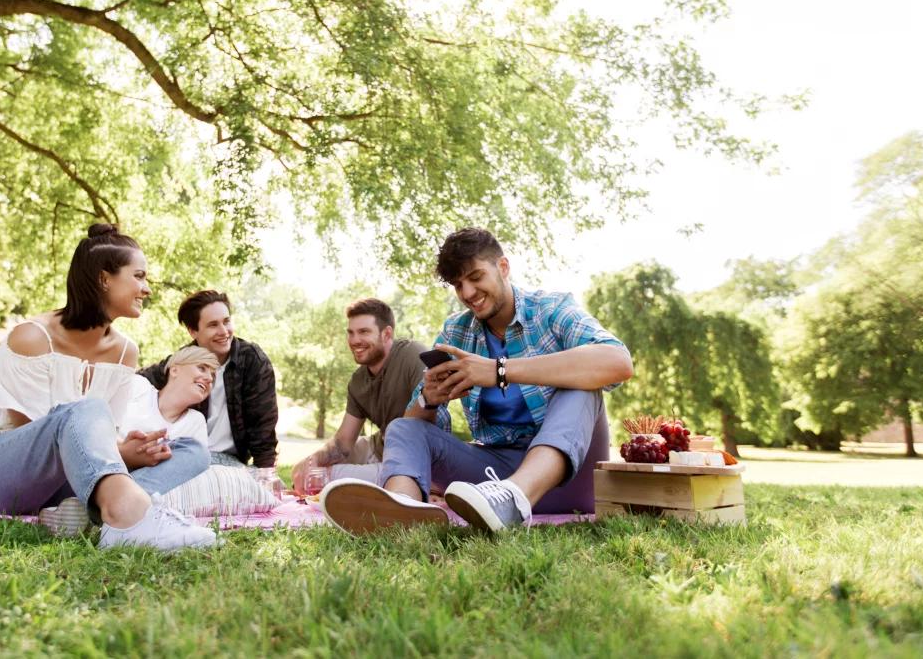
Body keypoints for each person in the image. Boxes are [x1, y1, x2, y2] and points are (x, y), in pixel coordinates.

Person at [321, 228, 633, 535]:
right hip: (494, 477)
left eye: (475, 277)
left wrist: (499, 370)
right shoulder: (455, 333)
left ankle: (512, 498)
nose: (468, 293)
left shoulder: (551, 310)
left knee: (580, 384)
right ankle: (401, 511)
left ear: (503, 267)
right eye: (458, 284)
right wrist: (428, 399)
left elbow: (618, 361)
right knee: (404, 426)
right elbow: (420, 428)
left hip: (570, 480)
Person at [0, 224, 217, 551]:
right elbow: (37, 437)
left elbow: (103, 434)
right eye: (139, 276)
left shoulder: (124, 352)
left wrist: (129, 448)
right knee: (86, 408)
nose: (146, 289)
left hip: (63, 483)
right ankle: (127, 514)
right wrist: (119, 453)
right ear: (105, 279)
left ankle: (90, 513)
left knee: (191, 449)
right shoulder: (32, 338)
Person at [291, 298, 426, 493]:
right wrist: (314, 461)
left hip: (411, 460)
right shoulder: (358, 380)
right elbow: (344, 442)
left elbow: (435, 420)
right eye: (351, 333)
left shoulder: (413, 355)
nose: (355, 340)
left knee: (327, 478)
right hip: (379, 446)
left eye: (364, 332)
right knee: (306, 469)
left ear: (387, 334)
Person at [139, 290, 279, 468]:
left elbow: (263, 430)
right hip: (182, 455)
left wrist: (265, 476)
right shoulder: (183, 361)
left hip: (229, 461)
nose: (224, 332)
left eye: (226, 321)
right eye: (213, 325)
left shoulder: (252, 361)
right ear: (193, 331)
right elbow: (138, 380)